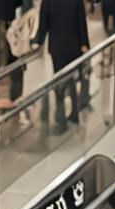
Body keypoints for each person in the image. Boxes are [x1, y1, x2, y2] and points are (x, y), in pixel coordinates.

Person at [35, 0, 89, 133]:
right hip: (74, 46)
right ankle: (74, 114)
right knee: (70, 80)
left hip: (58, 48)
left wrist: (37, 41)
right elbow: (81, 22)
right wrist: (85, 44)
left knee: (60, 82)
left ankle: (61, 119)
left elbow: (43, 24)